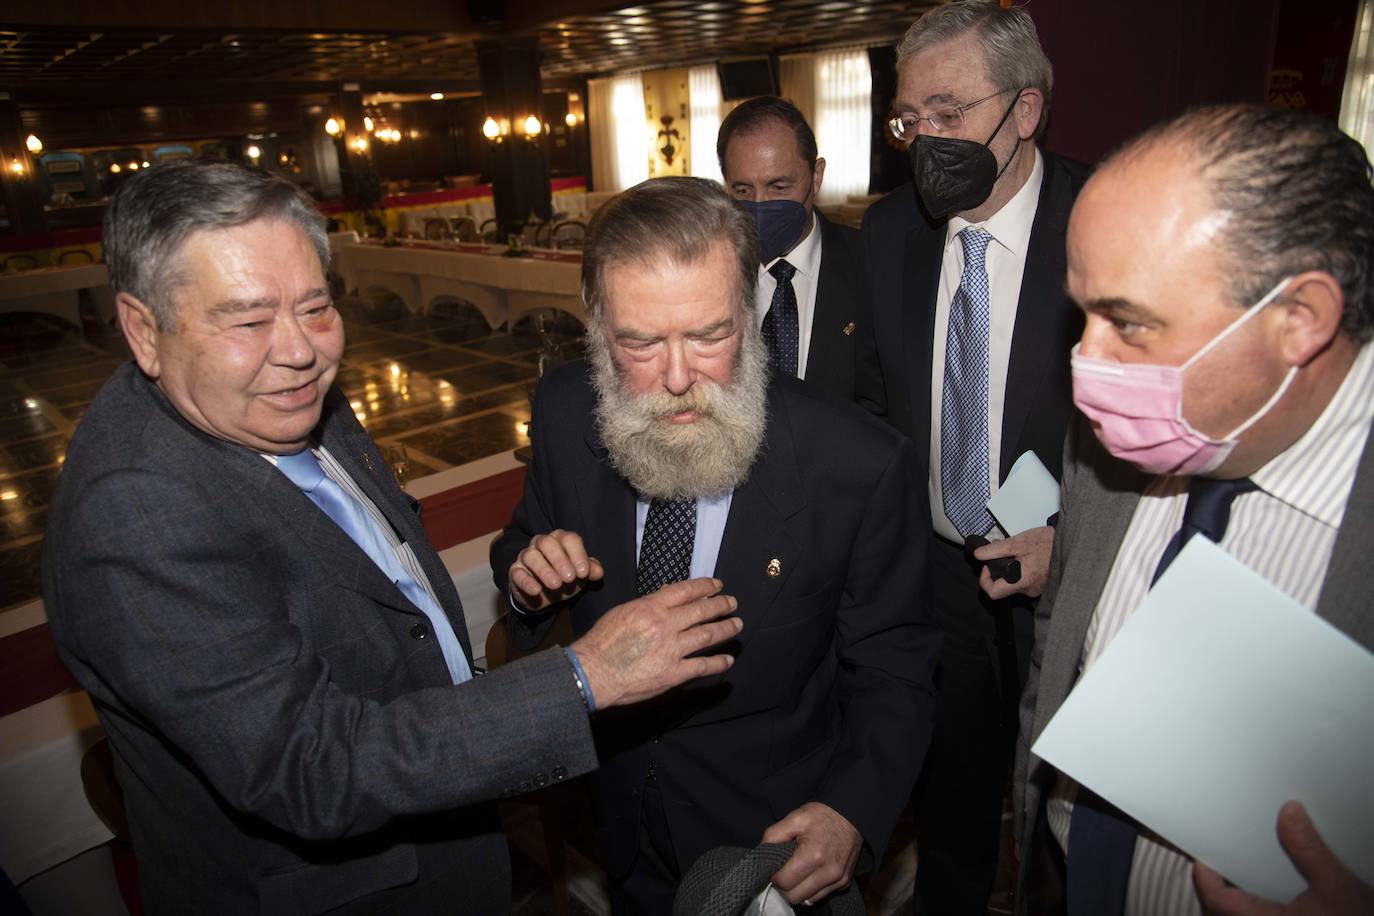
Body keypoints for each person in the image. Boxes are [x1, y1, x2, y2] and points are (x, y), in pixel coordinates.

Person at [41, 159, 743, 915]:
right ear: (143, 331)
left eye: (316, 307)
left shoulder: (280, 398)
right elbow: (311, 768)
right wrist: (583, 677)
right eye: (247, 321)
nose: (301, 350)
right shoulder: (135, 518)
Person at [490, 176, 940, 914]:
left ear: (751, 312)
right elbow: (523, 537)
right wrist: (525, 577)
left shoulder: (858, 464)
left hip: (772, 843)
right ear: (598, 329)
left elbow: (896, 668)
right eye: (639, 342)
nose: (678, 379)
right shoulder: (566, 408)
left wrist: (850, 811)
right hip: (621, 822)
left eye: (709, 336)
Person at [1017, 104, 1374, 916]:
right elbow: (1058, 648)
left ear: (1300, 320)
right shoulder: (1112, 437)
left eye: (1128, 322)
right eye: (1082, 313)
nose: (1086, 362)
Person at [853, 2, 1089, 912]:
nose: (925, 141)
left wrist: (1073, 544)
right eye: (909, 119)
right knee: (950, 798)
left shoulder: (1102, 221)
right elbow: (875, 408)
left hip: (1065, 579)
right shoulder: (890, 233)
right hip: (937, 577)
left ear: (1025, 110)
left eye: (949, 113)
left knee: (1058, 817)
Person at [717, 95, 864, 400]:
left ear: (816, 177)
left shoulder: (870, 265)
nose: (759, 204)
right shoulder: (707, 273)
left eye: (778, 187)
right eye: (742, 190)